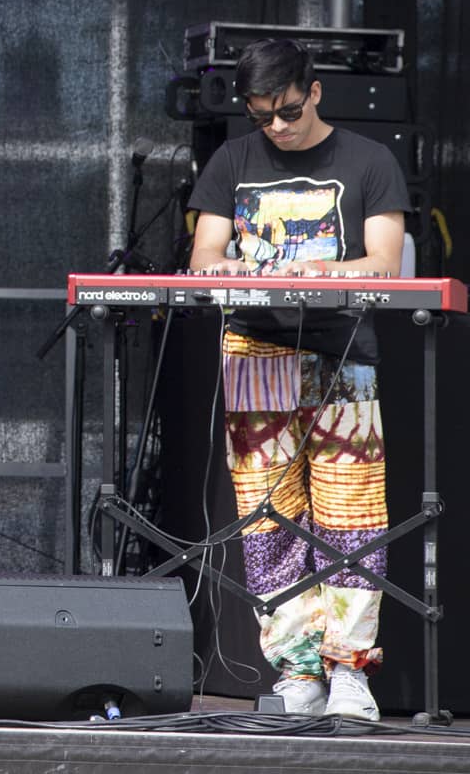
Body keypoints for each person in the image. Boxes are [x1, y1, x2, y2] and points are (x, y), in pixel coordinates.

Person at [187, 38, 407, 721]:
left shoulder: (368, 160)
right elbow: (203, 254)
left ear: (314, 92)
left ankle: (349, 670)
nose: (276, 127)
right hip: (255, 350)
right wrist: (224, 267)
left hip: (342, 353)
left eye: (287, 110)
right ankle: (297, 669)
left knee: (350, 520)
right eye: (262, 116)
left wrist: (325, 271)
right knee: (268, 520)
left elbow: (384, 263)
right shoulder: (232, 160)